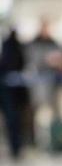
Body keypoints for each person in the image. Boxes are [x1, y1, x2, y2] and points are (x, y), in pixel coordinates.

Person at [0, 28, 28, 159]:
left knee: (12, 118)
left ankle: (15, 149)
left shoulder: (10, 42)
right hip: (7, 84)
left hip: (8, 85)